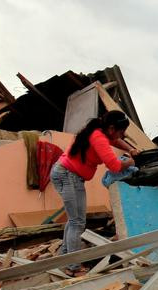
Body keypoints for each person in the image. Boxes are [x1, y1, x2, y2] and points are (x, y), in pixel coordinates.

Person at [51, 110, 138, 276]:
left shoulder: (100, 129)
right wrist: (130, 162)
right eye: (121, 131)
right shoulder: (98, 137)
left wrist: (131, 148)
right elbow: (114, 166)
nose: (122, 135)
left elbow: (116, 141)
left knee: (74, 220)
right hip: (69, 175)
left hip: (67, 173)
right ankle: (73, 267)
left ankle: (64, 256)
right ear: (111, 128)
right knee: (77, 222)